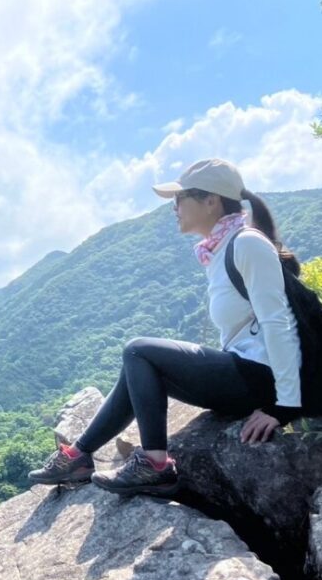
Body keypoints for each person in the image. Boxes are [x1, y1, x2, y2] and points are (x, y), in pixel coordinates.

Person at [28, 158, 302, 497]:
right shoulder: (220, 247)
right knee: (138, 364)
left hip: (261, 379)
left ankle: (155, 464)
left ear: (211, 201)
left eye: (180, 198)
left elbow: (279, 322)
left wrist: (285, 406)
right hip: (244, 373)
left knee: (139, 350)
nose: (174, 207)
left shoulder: (246, 243)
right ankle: (80, 455)